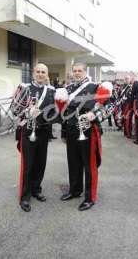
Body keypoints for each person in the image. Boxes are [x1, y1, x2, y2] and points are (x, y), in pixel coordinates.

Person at [60, 62, 110, 211]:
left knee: (89, 165)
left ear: (85, 71)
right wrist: (64, 131)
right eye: (74, 70)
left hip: (88, 131)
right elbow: (64, 112)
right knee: (73, 162)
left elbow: (110, 105)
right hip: (71, 130)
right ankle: (75, 190)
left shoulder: (96, 87)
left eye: (79, 70)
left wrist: (94, 114)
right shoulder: (68, 89)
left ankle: (90, 198)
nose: (77, 73)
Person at [10, 63, 56, 212]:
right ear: (33, 73)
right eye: (38, 71)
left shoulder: (51, 90)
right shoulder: (24, 88)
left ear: (47, 74)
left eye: (43, 72)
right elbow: (13, 110)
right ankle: (25, 196)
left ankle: (36, 190)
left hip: (43, 132)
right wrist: (27, 112)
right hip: (28, 131)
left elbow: (54, 112)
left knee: (40, 164)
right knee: (28, 165)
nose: (41, 74)